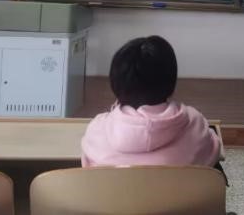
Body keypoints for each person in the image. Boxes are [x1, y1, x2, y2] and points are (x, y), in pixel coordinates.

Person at [81, 36, 222, 169]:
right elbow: (213, 152)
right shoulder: (196, 125)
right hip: (179, 188)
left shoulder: (96, 131)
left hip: (113, 188)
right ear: (170, 81)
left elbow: (87, 167)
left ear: (115, 81)